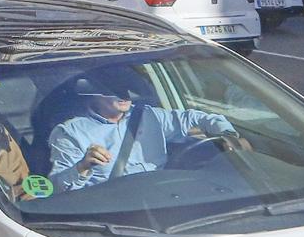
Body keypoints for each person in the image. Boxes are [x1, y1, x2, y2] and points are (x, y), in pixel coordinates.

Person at [48, 75, 245, 190]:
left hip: (162, 194)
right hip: (111, 207)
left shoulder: (149, 115)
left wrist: (229, 136)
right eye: (115, 89)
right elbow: (57, 187)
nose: (125, 95)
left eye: (129, 88)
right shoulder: (71, 132)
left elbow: (198, 118)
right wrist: (83, 166)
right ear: (93, 93)